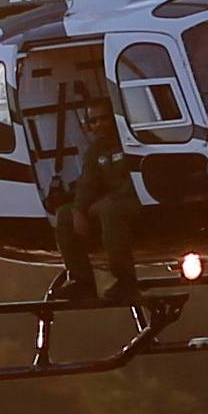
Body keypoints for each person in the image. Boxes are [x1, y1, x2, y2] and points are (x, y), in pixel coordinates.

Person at [53, 100, 142, 303]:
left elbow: (138, 182)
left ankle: (126, 281)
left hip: (139, 203)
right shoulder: (95, 151)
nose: (98, 124)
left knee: (112, 211)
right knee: (65, 214)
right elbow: (87, 184)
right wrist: (78, 211)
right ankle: (81, 282)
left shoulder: (131, 141)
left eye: (103, 119)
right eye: (93, 121)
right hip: (108, 205)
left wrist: (110, 200)